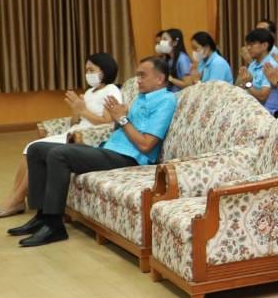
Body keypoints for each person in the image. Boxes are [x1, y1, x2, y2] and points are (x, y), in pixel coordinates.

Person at [10, 57, 176, 248]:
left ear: (160, 78)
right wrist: (117, 117)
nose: (137, 80)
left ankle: (55, 224)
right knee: (36, 149)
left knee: (58, 154)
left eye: (142, 75)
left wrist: (121, 119)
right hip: (109, 149)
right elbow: (120, 124)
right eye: (137, 75)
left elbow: (146, 145)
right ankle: (41, 216)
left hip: (129, 158)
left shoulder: (166, 100)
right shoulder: (140, 98)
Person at [0, 53, 123, 218]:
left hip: (90, 137)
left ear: (105, 70)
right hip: (75, 131)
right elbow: (75, 121)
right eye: (86, 70)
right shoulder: (90, 92)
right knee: (30, 149)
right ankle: (14, 197)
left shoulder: (111, 90)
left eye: (92, 69)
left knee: (36, 150)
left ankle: (16, 200)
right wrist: (76, 109)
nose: (88, 74)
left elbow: (108, 122)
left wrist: (83, 109)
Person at [237, 28, 275, 102]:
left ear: (265, 45)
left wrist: (247, 83)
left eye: (252, 44)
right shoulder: (253, 64)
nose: (248, 48)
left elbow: (262, 97)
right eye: (247, 45)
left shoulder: (271, 66)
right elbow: (242, 86)